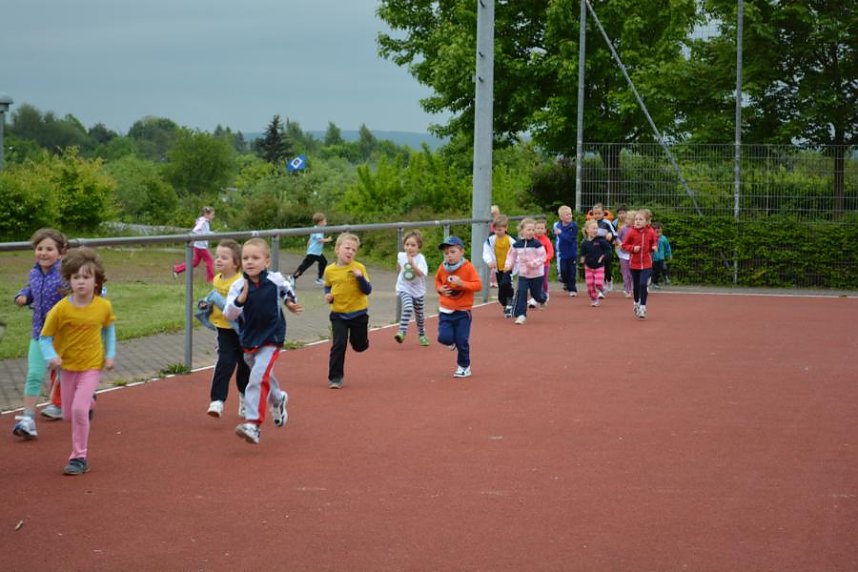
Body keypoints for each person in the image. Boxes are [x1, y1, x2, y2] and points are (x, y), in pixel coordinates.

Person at [39, 247, 116, 475]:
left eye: (86, 277)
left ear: (96, 281)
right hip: (67, 367)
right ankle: (89, 402)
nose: (81, 282)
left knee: (79, 411)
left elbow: (109, 330)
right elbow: (45, 338)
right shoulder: (61, 309)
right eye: (76, 278)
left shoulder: (103, 306)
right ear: (69, 280)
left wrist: (110, 355)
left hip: (92, 365)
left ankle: (78, 457)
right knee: (68, 415)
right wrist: (50, 356)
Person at [223, 238, 301, 444]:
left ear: (266, 261)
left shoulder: (275, 279)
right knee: (263, 375)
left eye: (255, 258)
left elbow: (287, 290)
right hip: (249, 340)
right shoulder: (238, 286)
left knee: (256, 378)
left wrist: (291, 303)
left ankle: (253, 425)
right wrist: (240, 299)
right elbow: (228, 314)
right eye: (246, 258)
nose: (250, 262)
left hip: (272, 337)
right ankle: (278, 398)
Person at [12, 229, 69, 439]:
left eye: (49, 249)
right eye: (39, 248)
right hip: (39, 334)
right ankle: (28, 418)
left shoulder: (66, 275)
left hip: (63, 335)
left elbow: (84, 290)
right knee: (34, 374)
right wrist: (23, 295)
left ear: (60, 253)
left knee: (67, 373)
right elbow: (30, 288)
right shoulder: (34, 273)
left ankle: (77, 401)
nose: (43, 253)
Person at [197, 239, 250, 418]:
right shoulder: (217, 279)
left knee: (244, 365)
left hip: (241, 330)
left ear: (236, 263)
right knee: (225, 362)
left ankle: (244, 398)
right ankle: (217, 401)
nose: (218, 260)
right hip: (224, 329)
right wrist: (206, 304)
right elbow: (214, 298)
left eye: (224, 258)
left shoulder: (242, 281)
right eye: (217, 256)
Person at [323, 233, 372, 389]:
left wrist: (360, 278)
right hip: (338, 313)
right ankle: (335, 377)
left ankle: (362, 341)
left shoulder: (359, 268)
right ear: (337, 249)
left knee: (359, 346)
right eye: (347, 248)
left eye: (354, 250)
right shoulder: (329, 270)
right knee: (339, 344)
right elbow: (328, 285)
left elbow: (367, 290)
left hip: (358, 313)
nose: (350, 252)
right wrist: (327, 295)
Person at [435, 236, 482, 378]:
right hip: (445, 310)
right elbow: (437, 281)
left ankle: (464, 366)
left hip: (462, 312)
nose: (449, 255)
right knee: (444, 338)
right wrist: (440, 289)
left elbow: (478, 285)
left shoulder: (468, 268)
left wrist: (462, 283)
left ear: (461, 252)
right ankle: (451, 342)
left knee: (462, 340)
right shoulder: (443, 268)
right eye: (446, 253)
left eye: (452, 251)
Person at [507, 218, 547, 325]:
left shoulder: (537, 244)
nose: (531, 232)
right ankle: (521, 315)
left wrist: (533, 264)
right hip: (523, 274)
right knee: (522, 293)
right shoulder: (516, 245)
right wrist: (508, 265)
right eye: (529, 229)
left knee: (536, 294)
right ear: (522, 231)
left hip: (537, 274)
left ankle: (543, 299)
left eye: (533, 230)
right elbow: (511, 256)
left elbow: (543, 257)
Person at [394, 231, 430, 346]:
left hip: (418, 290)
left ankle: (422, 334)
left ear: (419, 247)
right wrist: (399, 269)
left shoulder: (421, 259)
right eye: (407, 245)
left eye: (413, 245)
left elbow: (421, 274)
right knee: (408, 307)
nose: (409, 248)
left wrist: (413, 265)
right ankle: (402, 332)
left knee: (419, 315)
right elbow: (399, 267)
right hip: (404, 288)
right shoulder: (401, 255)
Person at [621, 209, 659, 319]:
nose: (637, 221)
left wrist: (654, 246)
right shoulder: (631, 232)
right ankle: (636, 302)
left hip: (646, 264)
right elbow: (624, 245)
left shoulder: (651, 231)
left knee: (643, 284)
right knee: (636, 286)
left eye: (640, 219)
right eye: (636, 219)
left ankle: (643, 307)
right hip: (634, 264)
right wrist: (633, 248)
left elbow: (654, 241)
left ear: (647, 222)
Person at [482, 214, 515, 317]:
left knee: (506, 283)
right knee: (501, 291)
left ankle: (510, 300)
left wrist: (512, 265)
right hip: (498, 268)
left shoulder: (511, 240)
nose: (498, 232)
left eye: (500, 229)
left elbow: (517, 252)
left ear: (506, 228)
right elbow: (486, 251)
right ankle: (505, 304)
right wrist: (489, 261)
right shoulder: (491, 240)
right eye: (496, 230)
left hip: (508, 267)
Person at [173, 206, 215, 283]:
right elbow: (195, 230)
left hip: (198, 246)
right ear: (206, 214)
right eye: (212, 215)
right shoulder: (202, 222)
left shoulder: (204, 222)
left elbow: (205, 233)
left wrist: (214, 234)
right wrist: (192, 236)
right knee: (210, 261)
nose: (213, 216)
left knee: (194, 263)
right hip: (201, 247)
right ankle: (210, 280)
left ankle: (177, 269)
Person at [291, 212, 332, 286]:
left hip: (316, 252)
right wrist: (328, 239)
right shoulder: (318, 230)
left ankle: (319, 278)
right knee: (305, 266)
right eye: (325, 221)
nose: (326, 222)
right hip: (314, 253)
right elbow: (319, 240)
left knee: (323, 262)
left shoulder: (315, 229)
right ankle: (293, 277)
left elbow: (310, 240)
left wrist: (308, 249)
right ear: (320, 222)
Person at [579, 220, 613, 307]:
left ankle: (602, 288)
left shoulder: (600, 240)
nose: (595, 230)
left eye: (596, 228)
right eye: (593, 228)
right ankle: (594, 299)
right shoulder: (584, 243)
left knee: (598, 283)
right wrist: (582, 260)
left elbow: (608, 250)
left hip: (599, 266)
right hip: (588, 267)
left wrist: (603, 256)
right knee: (590, 286)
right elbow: (582, 254)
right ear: (587, 230)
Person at [590, 203, 616, 296]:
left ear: (603, 213)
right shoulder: (591, 223)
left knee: (606, 268)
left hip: (606, 248)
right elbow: (587, 234)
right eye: (595, 213)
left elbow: (614, 234)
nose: (597, 215)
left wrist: (610, 236)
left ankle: (609, 279)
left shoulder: (607, 222)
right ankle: (601, 289)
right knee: (598, 268)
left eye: (599, 213)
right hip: (596, 249)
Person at [553, 205, 579, 297]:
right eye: (567, 215)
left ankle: (573, 289)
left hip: (572, 253)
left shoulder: (574, 226)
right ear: (561, 217)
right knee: (563, 271)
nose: (569, 216)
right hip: (562, 253)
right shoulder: (557, 225)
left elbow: (570, 239)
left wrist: (561, 234)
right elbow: (554, 235)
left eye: (570, 214)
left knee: (572, 272)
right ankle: (566, 283)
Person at [533, 218, 555, 306]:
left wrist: (544, 259)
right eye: (538, 228)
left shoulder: (546, 240)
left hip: (544, 265)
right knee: (535, 282)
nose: (539, 230)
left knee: (544, 282)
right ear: (534, 229)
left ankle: (545, 293)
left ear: (545, 230)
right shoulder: (532, 239)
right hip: (534, 265)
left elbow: (551, 252)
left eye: (542, 228)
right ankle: (535, 298)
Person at [615, 210, 636, 298]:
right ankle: (627, 290)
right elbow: (617, 237)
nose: (626, 220)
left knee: (632, 274)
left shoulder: (636, 230)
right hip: (623, 254)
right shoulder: (623, 228)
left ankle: (633, 289)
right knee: (625, 273)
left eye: (628, 218)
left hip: (633, 255)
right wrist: (620, 244)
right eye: (626, 218)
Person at [651, 222, 673, 288]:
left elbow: (667, 247)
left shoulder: (664, 238)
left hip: (661, 258)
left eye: (660, 232)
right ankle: (654, 283)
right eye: (657, 232)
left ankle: (665, 278)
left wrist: (669, 254)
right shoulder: (651, 238)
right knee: (655, 271)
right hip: (653, 259)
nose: (659, 234)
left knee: (663, 267)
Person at [488, 205, 501, 287]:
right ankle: (492, 281)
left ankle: (494, 281)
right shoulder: (492, 223)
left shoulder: (497, 223)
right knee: (494, 263)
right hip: (493, 241)